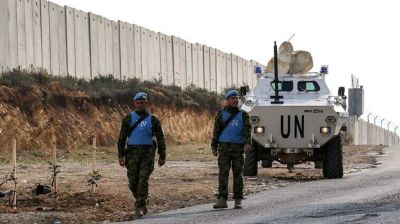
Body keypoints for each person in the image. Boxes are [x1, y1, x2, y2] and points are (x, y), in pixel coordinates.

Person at [117, 92, 166, 218]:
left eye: (142, 103)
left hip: (147, 153)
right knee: (133, 182)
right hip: (132, 154)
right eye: (137, 103)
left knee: (143, 180)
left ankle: (138, 206)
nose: (139, 105)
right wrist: (120, 155)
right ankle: (142, 200)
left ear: (146, 103)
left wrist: (162, 155)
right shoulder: (128, 118)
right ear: (134, 103)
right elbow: (122, 138)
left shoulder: (153, 119)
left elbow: (160, 137)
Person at [211, 89, 251, 209]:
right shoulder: (221, 114)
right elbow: (216, 131)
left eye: (237, 98)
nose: (235, 100)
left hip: (238, 149)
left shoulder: (243, 114)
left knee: (238, 174)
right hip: (224, 149)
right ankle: (222, 200)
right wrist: (214, 146)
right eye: (233, 98)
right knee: (223, 174)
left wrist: (248, 143)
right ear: (227, 100)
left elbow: (248, 130)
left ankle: (238, 200)